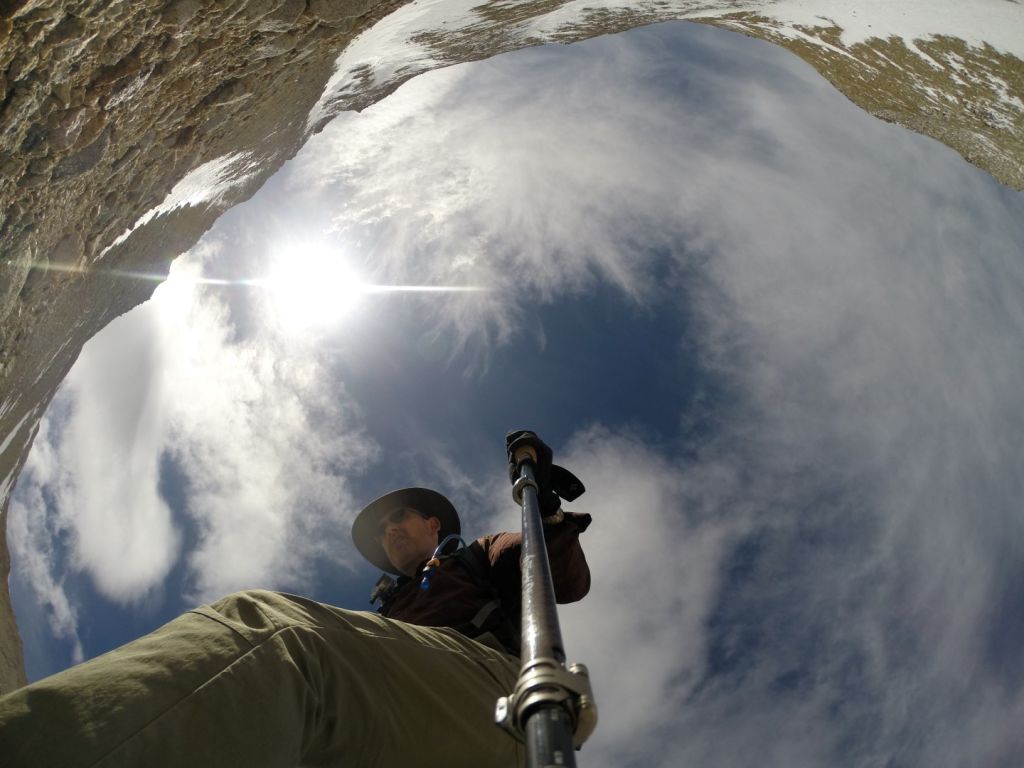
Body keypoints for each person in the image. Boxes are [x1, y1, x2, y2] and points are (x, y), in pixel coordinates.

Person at [0, 438, 592, 768]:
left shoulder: (478, 553)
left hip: (491, 695)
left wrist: (544, 510)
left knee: (278, 639)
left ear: (432, 523)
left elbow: (563, 582)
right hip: (404, 721)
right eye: (382, 529)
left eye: (399, 518)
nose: (389, 531)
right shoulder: (387, 613)